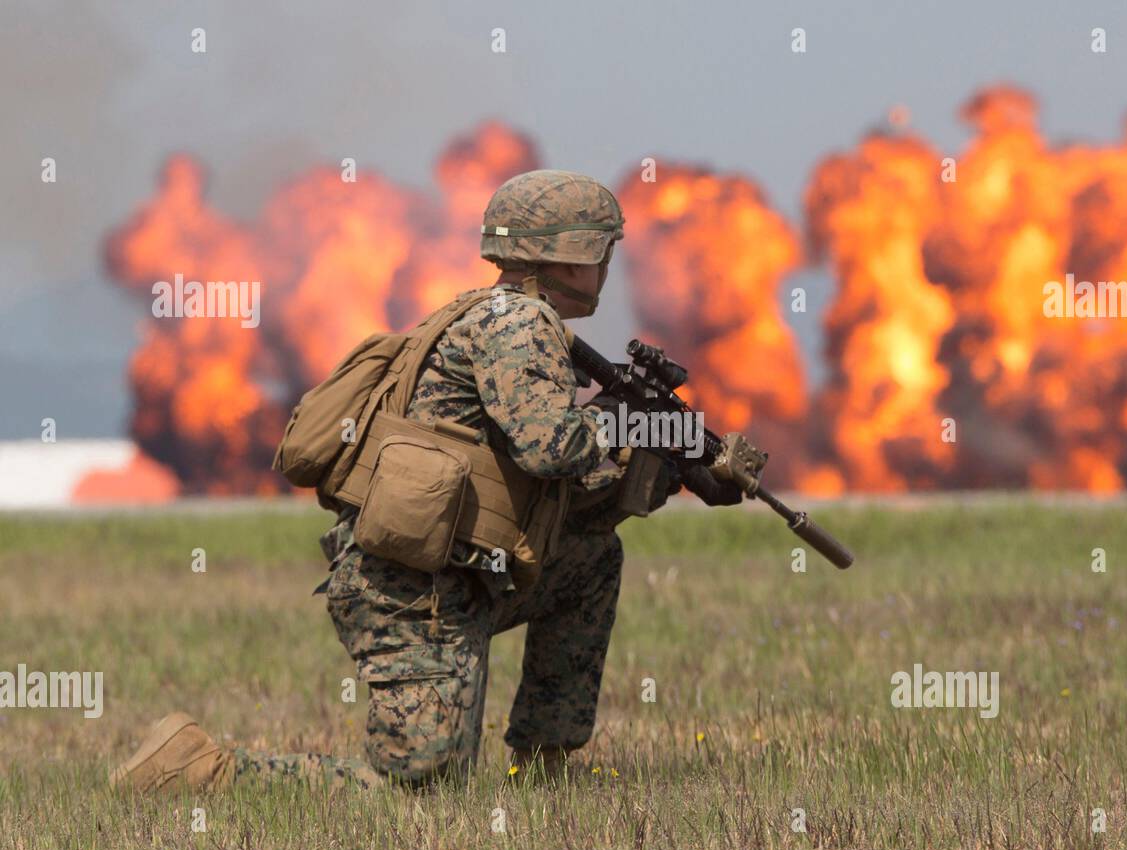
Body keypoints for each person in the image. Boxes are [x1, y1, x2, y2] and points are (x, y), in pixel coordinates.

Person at [112, 169, 739, 794]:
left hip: (460, 573)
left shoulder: (497, 315)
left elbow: (560, 501)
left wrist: (678, 466)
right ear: (567, 255)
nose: (607, 266)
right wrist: (631, 424)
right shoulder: (518, 326)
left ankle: (546, 767)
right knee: (421, 787)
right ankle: (196, 770)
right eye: (602, 249)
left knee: (591, 559)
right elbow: (552, 449)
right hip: (411, 593)